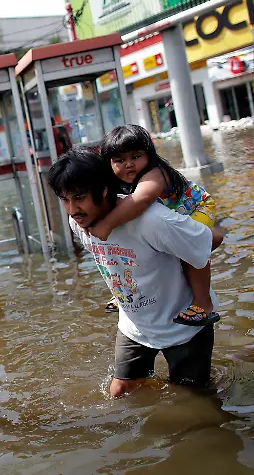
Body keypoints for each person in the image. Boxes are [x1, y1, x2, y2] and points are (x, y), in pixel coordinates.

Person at [47, 148, 224, 397]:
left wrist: (185, 259)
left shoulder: (152, 221)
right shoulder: (78, 222)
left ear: (104, 190)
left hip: (182, 326)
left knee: (191, 401)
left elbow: (210, 240)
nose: (73, 209)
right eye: (65, 200)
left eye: (80, 197)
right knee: (120, 392)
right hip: (134, 326)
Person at [89, 125, 221, 326]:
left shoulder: (156, 173)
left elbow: (141, 200)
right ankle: (126, 294)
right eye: (119, 160)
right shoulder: (116, 180)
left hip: (195, 208)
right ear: (109, 163)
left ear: (149, 155)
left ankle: (203, 303)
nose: (129, 165)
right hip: (167, 217)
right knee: (131, 250)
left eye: (135, 157)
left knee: (189, 246)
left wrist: (106, 224)